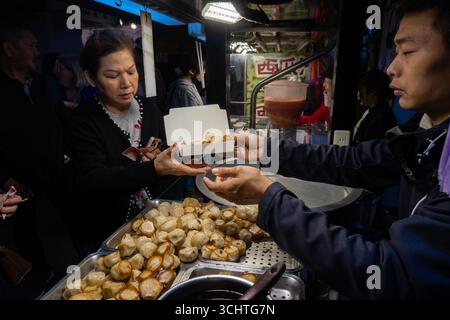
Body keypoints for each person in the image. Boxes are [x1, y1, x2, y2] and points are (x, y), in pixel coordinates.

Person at [204, 0, 450, 299]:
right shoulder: (424, 133)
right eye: (395, 52)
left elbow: (391, 274)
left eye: (408, 52)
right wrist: (266, 150)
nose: (391, 68)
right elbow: (356, 162)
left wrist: (268, 198)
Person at [70, 30, 209, 254]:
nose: (126, 83)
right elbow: (93, 180)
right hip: (109, 230)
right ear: (90, 77)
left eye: (131, 71)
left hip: (151, 223)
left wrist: (180, 156)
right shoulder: (83, 121)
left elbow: (162, 149)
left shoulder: (149, 108)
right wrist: (152, 168)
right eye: (113, 76)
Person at [0, 23, 78, 298]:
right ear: (9, 49)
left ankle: (78, 269)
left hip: (56, 169)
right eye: (30, 45)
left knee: (72, 221)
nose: (37, 51)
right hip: (20, 178)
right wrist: (4, 176)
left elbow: (57, 119)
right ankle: (39, 283)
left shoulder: (43, 84)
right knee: (28, 235)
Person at [353, 69, 397, 144]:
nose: (358, 94)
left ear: (372, 92)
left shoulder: (383, 118)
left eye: (360, 90)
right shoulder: (369, 109)